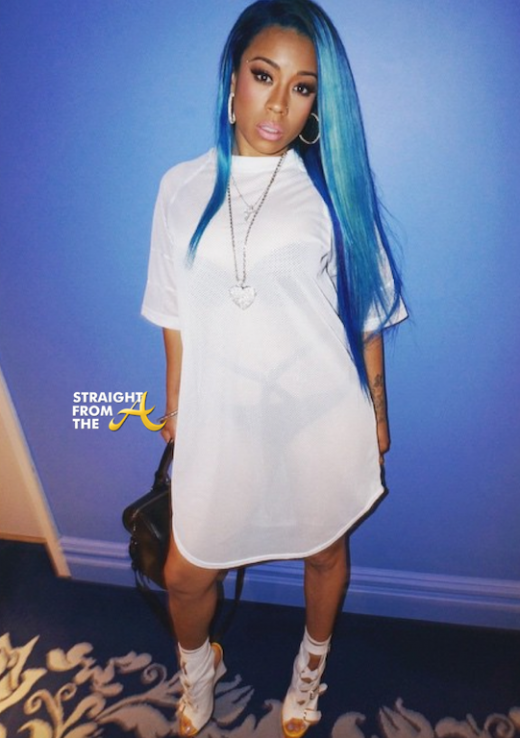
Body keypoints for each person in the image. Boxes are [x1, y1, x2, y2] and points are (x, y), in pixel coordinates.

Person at [142, 1, 407, 735]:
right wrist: (176, 412)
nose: (279, 103)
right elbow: (172, 314)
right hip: (222, 417)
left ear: (317, 103)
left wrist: (378, 415)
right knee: (185, 572)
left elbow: (368, 318)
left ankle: (309, 670)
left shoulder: (331, 191)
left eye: (303, 87)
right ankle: (199, 668)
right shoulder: (180, 187)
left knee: (324, 552)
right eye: (264, 76)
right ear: (233, 80)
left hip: (321, 414)